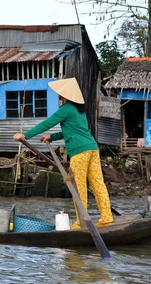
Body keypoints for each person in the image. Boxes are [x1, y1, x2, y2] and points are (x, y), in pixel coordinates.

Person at [13, 78, 113, 229]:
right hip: (92, 148)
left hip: (80, 152)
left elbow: (47, 123)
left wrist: (25, 135)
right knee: (98, 184)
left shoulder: (66, 109)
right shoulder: (79, 110)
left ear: (66, 94)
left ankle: (82, 222)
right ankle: (107, 217)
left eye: (60, 92)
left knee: (78, 187)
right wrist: (51, 137)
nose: (58, 94)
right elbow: (71, 130)